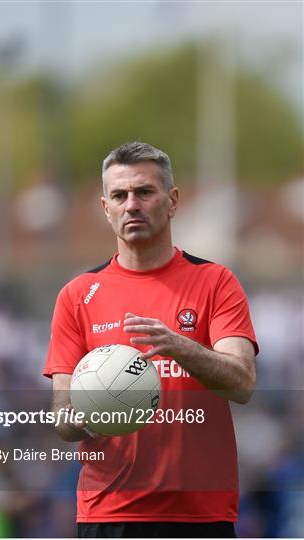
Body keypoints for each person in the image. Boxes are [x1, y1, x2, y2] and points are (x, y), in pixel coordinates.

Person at [44, 141, 258, 538]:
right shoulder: (78, 294)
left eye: (145, 192)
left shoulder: (215, 282)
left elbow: (243, 382)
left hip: (199, 514)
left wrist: (178, 346)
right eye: (120, 196)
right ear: (105, 208)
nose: (132, 205)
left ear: (172, 201)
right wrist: (89, 412)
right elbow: (62, 414)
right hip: (109, 514)